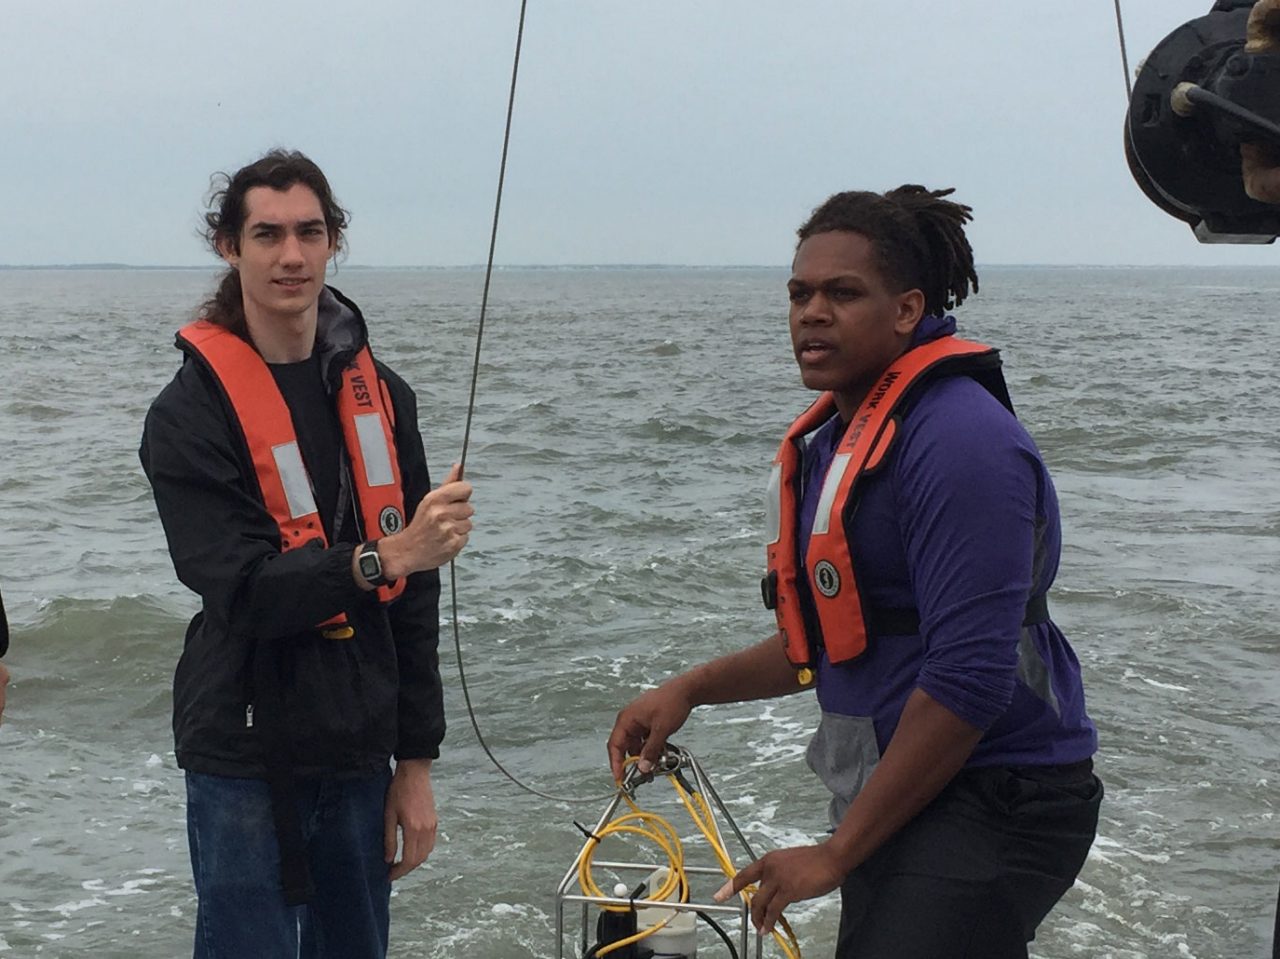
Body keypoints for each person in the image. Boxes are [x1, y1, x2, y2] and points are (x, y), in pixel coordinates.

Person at [607, 186, 1102, 958]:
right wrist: (691, 688)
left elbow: (971, 679)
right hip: (913, 793)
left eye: (843, 293)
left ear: (908, 310)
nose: (811, 312)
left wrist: (836, 855)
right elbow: (834, 636)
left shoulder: (962, 442)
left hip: (1000, 794)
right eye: (800, 293)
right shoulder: (841, 440)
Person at [140, 149, 474, 959]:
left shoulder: (383, 396)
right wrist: (380, 558)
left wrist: (416, 762)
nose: (291, 255)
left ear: (333, 243)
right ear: (230, 247)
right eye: (267, 234)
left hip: (359, 751)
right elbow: (245, 590)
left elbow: (416, 595)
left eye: (309, 232)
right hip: (242, 750)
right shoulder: (187, 414)